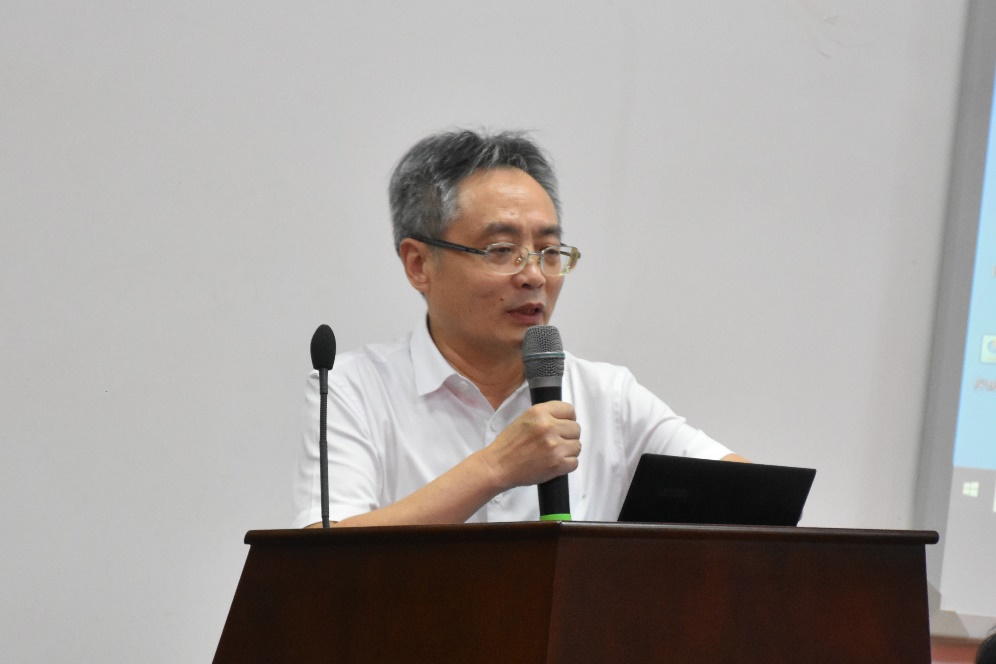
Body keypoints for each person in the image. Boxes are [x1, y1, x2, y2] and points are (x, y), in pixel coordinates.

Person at [293, 129, 747, 528]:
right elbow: (321, 557)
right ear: (419, 264)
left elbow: (752, 496)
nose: (534, 276)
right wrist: (496, 467)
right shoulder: (353, 388)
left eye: (549, 251)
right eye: (501, 250)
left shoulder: (607, 396)